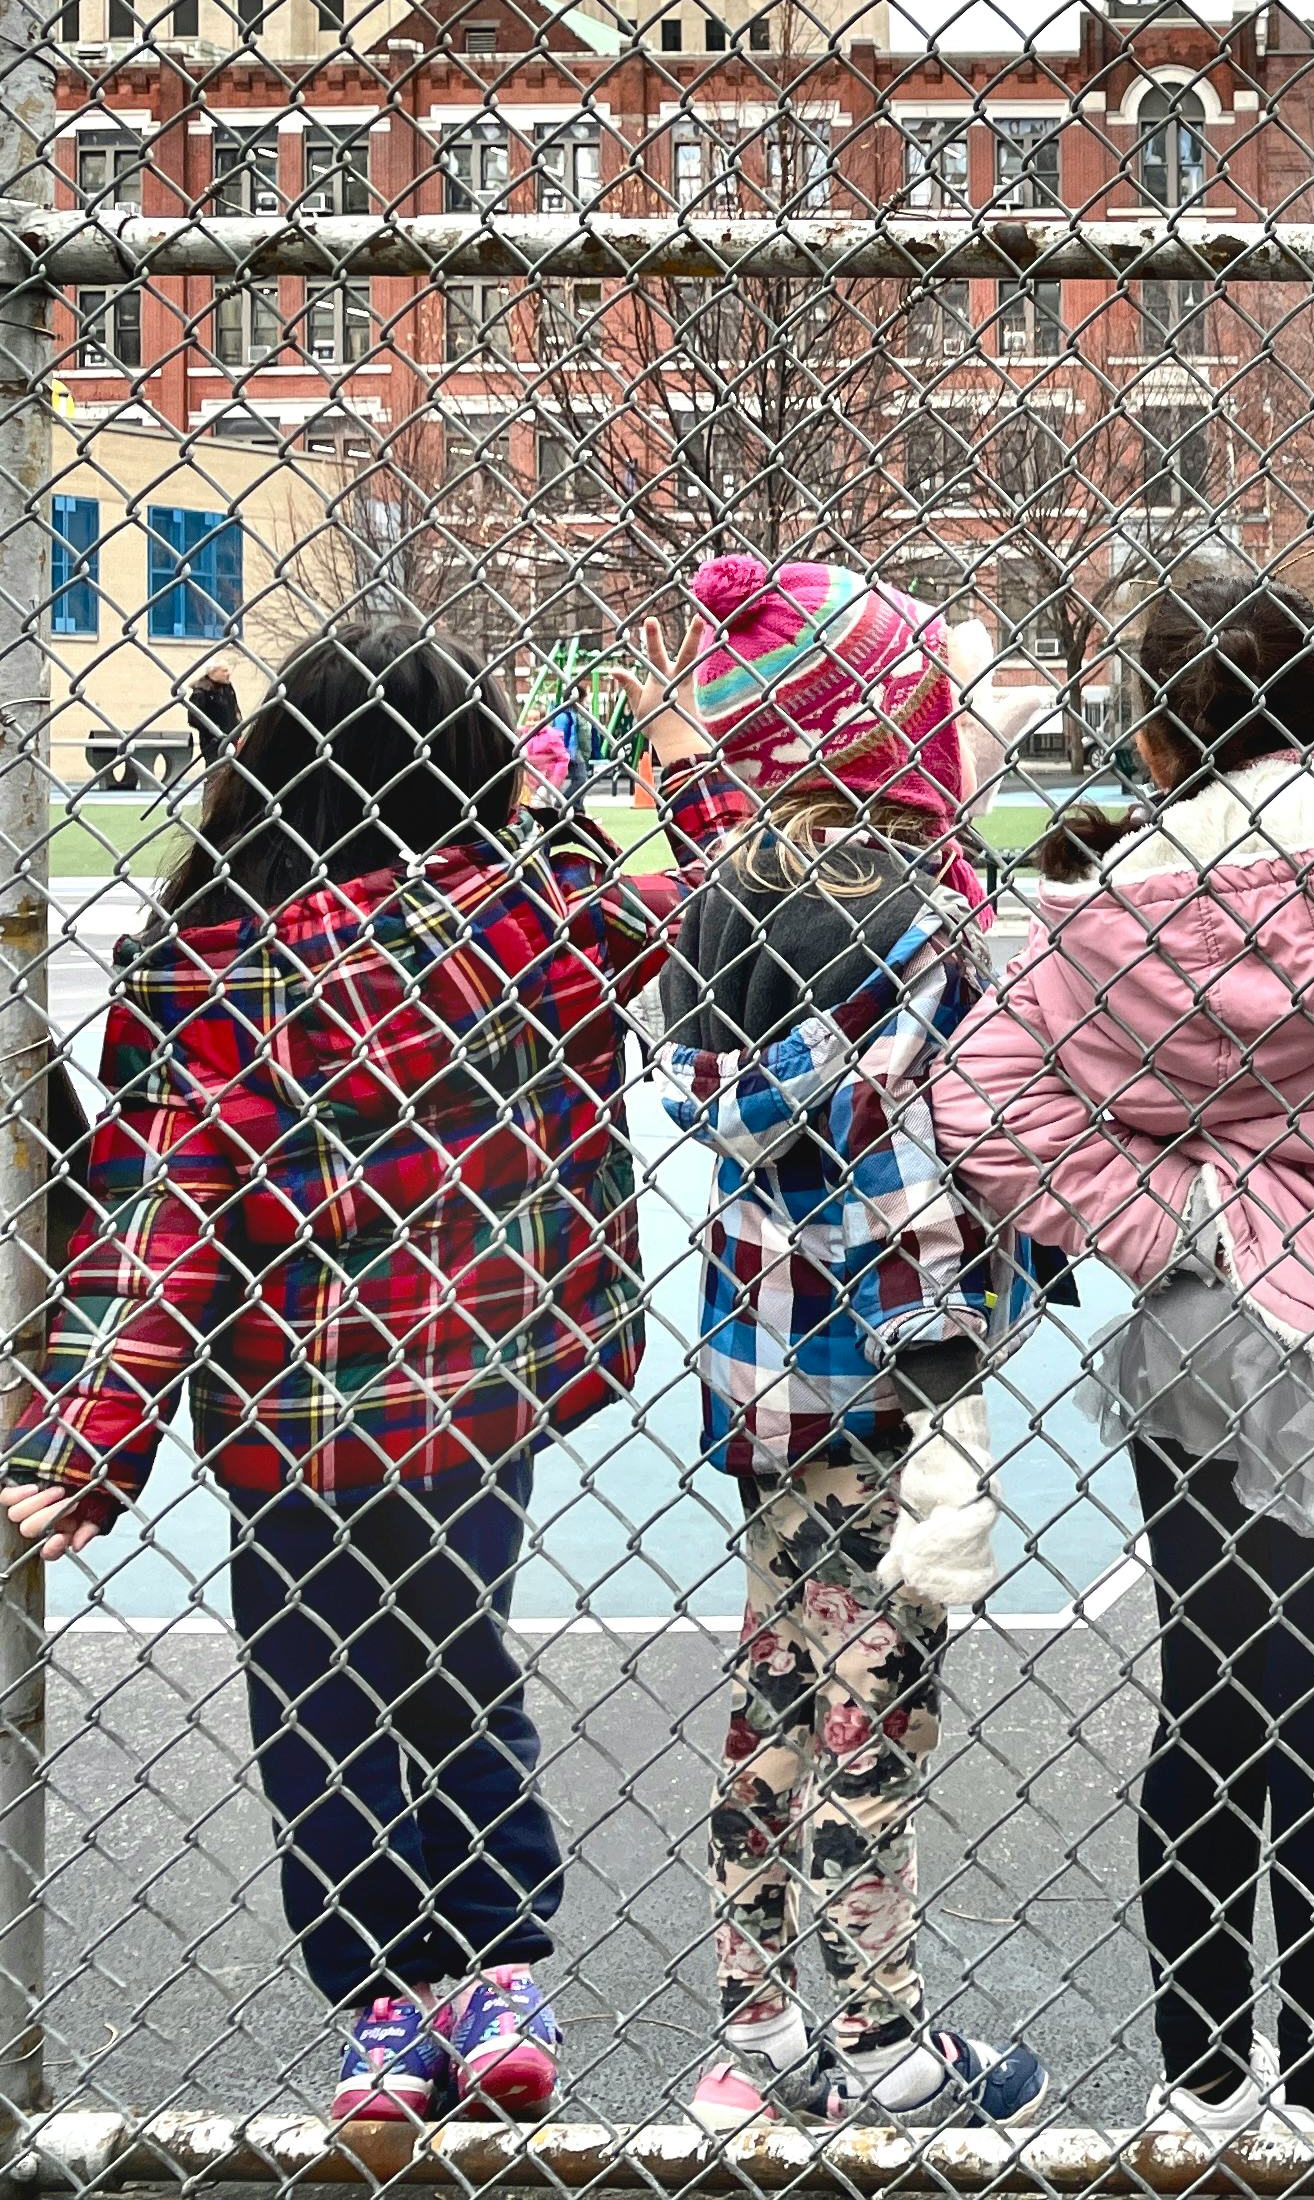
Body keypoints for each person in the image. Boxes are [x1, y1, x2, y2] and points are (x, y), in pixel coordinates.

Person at [1, 623, 752, 2124]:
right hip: (479, 1391)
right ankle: (496, 1968)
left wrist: (81, 1437)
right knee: (456, 1667)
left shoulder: (219, 957)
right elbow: (731, 904)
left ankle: (386, 2001)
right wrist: (681, 757)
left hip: (299, 1420)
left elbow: (166, 1198)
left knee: (318, 1700)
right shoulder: (544, 911)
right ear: (474, 768)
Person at [941, 285, 1314, 2149]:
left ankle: (1204, 2082)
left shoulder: (1103, 909)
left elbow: (982, 1100)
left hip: (1208, 1325)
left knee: (1210, 1704)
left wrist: (1176, 1213)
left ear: (1161, 727)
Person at [661, 560, 1052, 2128]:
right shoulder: (919, 941)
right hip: (890, 1398)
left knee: (768, 1700)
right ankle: (886, 2042)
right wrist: (952, 1383)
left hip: (767, 1379)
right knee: (871, 1720)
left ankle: (752, 2037)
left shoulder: (730, 908)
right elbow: (905, 1181)